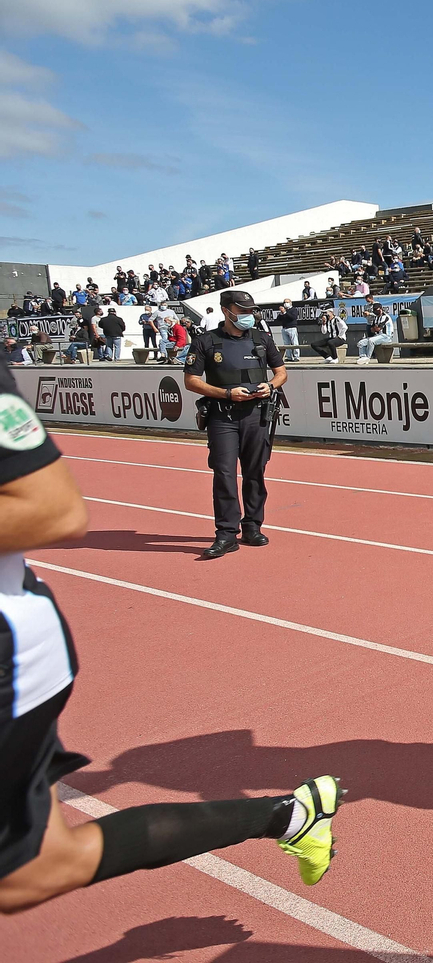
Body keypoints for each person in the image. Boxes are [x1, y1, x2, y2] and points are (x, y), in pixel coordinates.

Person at [0, 363, 343, 914]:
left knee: (24, 872)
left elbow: (54, 508)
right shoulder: (210, 345)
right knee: (32, 873)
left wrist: (261, 386)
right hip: (224, 415)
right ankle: (289, 816)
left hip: (10, 649)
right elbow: (192, 380)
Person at [182, 291, 286, 559]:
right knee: (224, 475)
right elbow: (191, 381)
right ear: (226, 311)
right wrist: (227, 394)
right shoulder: (206, 341)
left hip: (257, 415)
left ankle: (252, 526)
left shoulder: (262, 339)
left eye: (250, 311)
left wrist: (270, 386)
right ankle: (227, 535)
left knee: (255, 472)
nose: (248, 316)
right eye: (242, 311)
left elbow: (281, 372)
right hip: (222, 417)